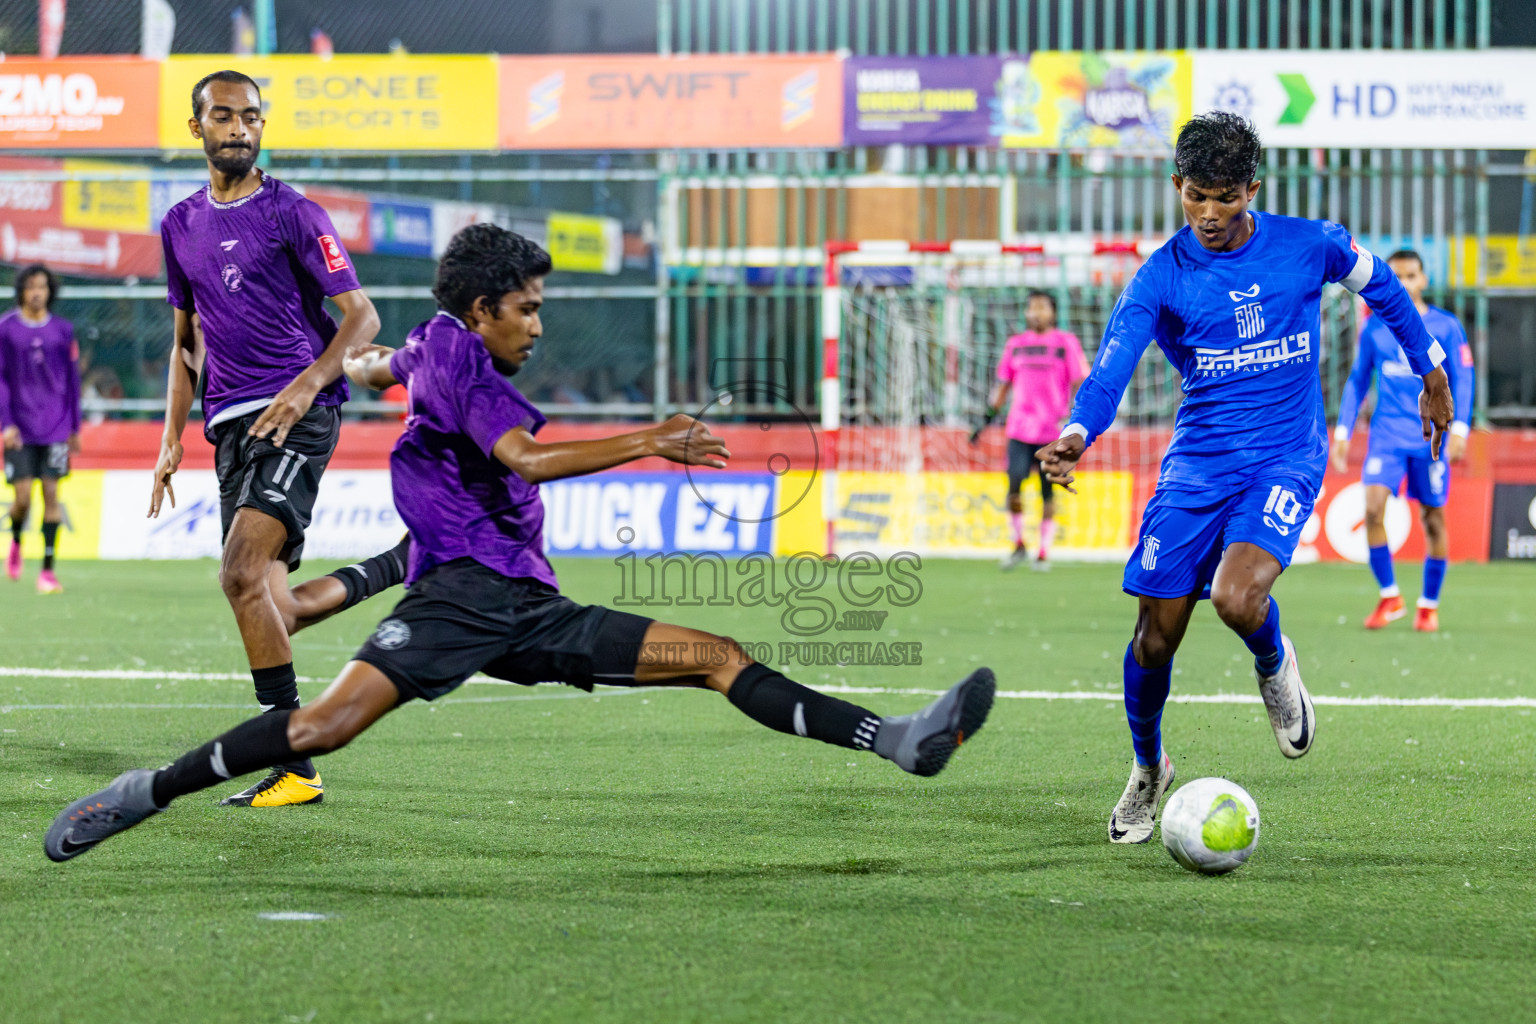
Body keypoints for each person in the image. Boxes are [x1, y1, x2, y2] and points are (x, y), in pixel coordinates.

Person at [43, 224, 997, 863]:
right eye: (527, 308)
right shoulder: (470, 363)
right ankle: (148, 791)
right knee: (323, 728)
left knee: (716, 658)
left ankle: (900, 741)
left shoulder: (436, 347)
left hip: (528, 611)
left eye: (540, 306)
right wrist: (652, 440)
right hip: (460, 604)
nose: (538, 324)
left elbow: (389, 361)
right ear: (483, 311)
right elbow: (527, 460)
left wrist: (362, 371)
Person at [1033, 113, 1453, 845]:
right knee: (1154, 641)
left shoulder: (1309, 244)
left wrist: (1433, 369)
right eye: (1196, 195)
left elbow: (1382, 286)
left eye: (1225, 197)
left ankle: (1274, 665)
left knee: (1236, 596)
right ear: (1177, 187)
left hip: (1285, 457)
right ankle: (1147, 767)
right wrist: (1076, 433)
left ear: (1251, 190)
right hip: (1197, 468)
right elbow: (1110, 370)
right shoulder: (1161, 275)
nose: (1209, 214)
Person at [151, 70, 410, 808]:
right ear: (196, 126)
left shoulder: (295, 212)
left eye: (252, 117)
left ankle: (293, 758)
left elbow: (361, 318)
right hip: (229, 425)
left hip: (298, 412)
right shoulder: (178, 225)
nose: (240, 128)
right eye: (224, 116)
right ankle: (401, 563)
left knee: (238, 572)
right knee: (273, 604)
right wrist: (171, 438)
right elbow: (185, 342)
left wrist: (307, 384)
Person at [1330, 249, 1473, 633]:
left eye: (1412, 276)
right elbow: (1358, 380)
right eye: (1397, 277)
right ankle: (1390, 596)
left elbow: (1463, 378)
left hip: (1432, 440)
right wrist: (1343, 431)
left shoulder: (1446, 326)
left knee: (1433, 518)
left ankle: (1428, 605)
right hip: (1387, 437)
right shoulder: (1375, 330)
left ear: (1423, 280)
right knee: (1373, 509)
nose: (1406, 284)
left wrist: (1459, 430)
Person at [972, 290, 1088, 571]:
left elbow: (1080, 381)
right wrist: (986, 419)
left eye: (1042, 307)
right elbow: (1003, 385)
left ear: (1053, 312)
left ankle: (1043, 553)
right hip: (1019, 429)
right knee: (1014, 487)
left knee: (1048, 492)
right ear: (1026, 313)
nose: (1036, 312)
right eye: (1032, 307)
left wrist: (1081, 421)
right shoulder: (1015, 345)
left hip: (1052, 432)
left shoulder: (1065, 343)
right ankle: (1019, 544)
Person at [1, 264, 79, 594]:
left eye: (43, 287)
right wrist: (6, 424)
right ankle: (16, 541)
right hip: (20, 427)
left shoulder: (62, 330)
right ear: (21, 290)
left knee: (51, 494)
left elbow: (73, 381)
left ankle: (47, 572)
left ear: (50, 292)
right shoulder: (6, 329)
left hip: (57, 426)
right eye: (31, 286)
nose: (37, 293)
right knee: (21, 499)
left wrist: (74, 425)